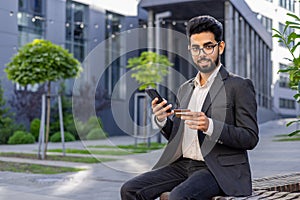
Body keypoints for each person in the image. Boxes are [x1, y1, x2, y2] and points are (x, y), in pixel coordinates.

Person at [120, 15, 259, 200]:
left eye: (208, 46)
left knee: (177, 197)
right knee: (129, 189)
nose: (201, 53)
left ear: (221, 47)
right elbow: (177, 137)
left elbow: (250, 138)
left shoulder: (239, 86)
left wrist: (209, 126)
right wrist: (162, 120)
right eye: (196, 48)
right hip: (182, 165)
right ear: (190, 50)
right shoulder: (185, 88)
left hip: (216, 170)